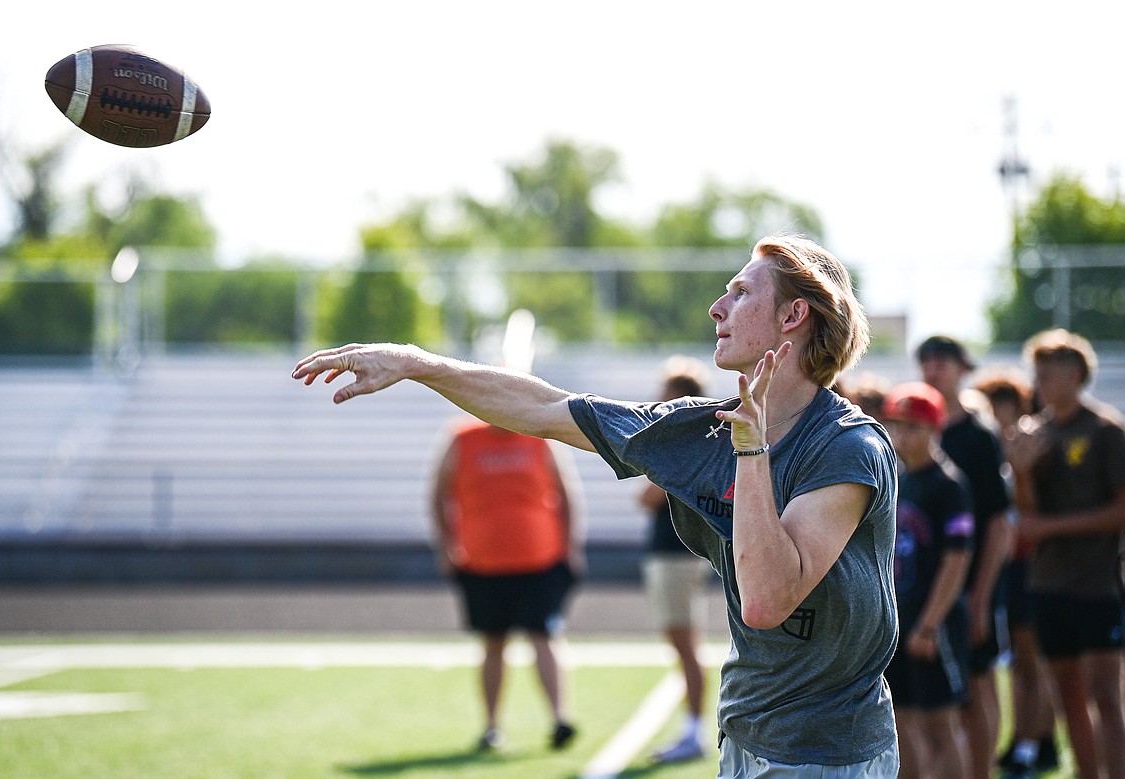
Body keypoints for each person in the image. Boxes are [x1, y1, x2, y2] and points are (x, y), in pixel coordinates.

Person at [293, 233, 901, 777]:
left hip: (829, 754)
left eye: (740, 294)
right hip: (747, 733)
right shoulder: (705, 434)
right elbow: (542, 408)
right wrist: (415, 362)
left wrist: (751, 453)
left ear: (794, 314)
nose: (717, 309)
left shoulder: (846, 446)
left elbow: (768, 599)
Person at [1004, 328, 1125, 779]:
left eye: (1049, 376)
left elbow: (1120, 511)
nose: (1040, 386)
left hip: (1098, 584)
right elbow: (1028, 515)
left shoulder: (1107, 430)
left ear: (1076, 375)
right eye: (1038, 376)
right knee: (1068, 698)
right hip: (1048, 583)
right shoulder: (1035, 434)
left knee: (1108, 698)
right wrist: (1021, 474)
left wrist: (1052, 527)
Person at [429, 413, 584, 753]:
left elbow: (566, 493)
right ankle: (491, 726)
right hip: (481, 562)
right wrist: (445, 545)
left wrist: (571, 546)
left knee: (544, 635)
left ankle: (559, 719)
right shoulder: (462, 437)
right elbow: (438, 494)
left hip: (540, 558)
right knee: (493, 642)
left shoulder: (539, 434)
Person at [916, 335, 1012, 779]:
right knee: (937, 700)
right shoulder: (918, 430)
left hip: (971, 582)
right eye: (927, 362)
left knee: (977, 683)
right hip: (924, 586)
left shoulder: (978, 435)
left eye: (943, 362)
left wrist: (982, 595)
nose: (934, 370)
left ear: (962, 368)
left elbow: (996, 521)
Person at [881, 381, 974, 779]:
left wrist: (930, 624)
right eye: (897, 425)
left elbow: (957, 560)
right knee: (901, 724)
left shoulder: (948, 485)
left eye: (914, 427)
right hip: (898, 620)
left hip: (933, 622)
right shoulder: (897, 479)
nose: (903, 435)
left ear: (935, 429)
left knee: (940, 724)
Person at [972, 369, 1060, 777]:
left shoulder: (1028, 441)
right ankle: (1028, 741)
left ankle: (1036, 742)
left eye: (1001, 403)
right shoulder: (995, 446)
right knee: (1019, 663)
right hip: (1013, 565)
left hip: (1032, 563)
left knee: (1031, 661)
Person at [638, 356, 716, 764]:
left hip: (676, 553)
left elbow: (647, 497)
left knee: (686, 646)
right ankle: (692, 728)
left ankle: (694, 730)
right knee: (683, 644)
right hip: (674, 553)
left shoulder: (685, 443)